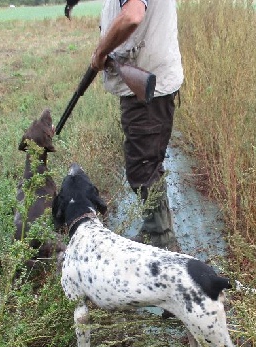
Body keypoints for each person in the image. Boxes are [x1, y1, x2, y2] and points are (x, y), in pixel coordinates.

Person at [69, 0, 184, 249]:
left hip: (148, 93)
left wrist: (100, 53)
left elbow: (132, 16)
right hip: (150, 86)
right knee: (148, 164)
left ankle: (161, 240)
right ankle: (154, 230)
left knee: (143, 170)